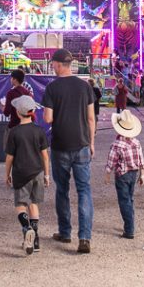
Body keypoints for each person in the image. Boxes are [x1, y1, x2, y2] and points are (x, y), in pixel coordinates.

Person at [43, 48, 96, 253]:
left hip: (60, 144)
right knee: (84, 190)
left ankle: (65, 232)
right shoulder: (85, 87)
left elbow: (48, 118)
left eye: (53, 64)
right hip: (82, 143)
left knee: (62, 189)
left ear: (57, 64)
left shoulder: (52, 87)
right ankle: (84, 237)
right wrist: (91, 142)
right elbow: (91, 118)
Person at [4, 94, 50, 255]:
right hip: (38, 172)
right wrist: (46, 175)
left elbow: (10, 157)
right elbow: (45, 155)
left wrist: (7, 173)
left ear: (18, 113)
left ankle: (26, 228)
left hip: (21, 173)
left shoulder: (14, 132)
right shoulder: (39, 131)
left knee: (20, 205)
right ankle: (35, 239)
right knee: (33, 203)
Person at [104, 110, 144, 239]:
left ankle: (129, 229)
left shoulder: (117, 144)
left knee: (124, 201)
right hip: (134, 174)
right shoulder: (136, 142)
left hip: (122, 175)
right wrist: (142, 174)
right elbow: (141, 160)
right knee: (130, 198)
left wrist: (107, 174)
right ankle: (130, 223)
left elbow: (111, 162)